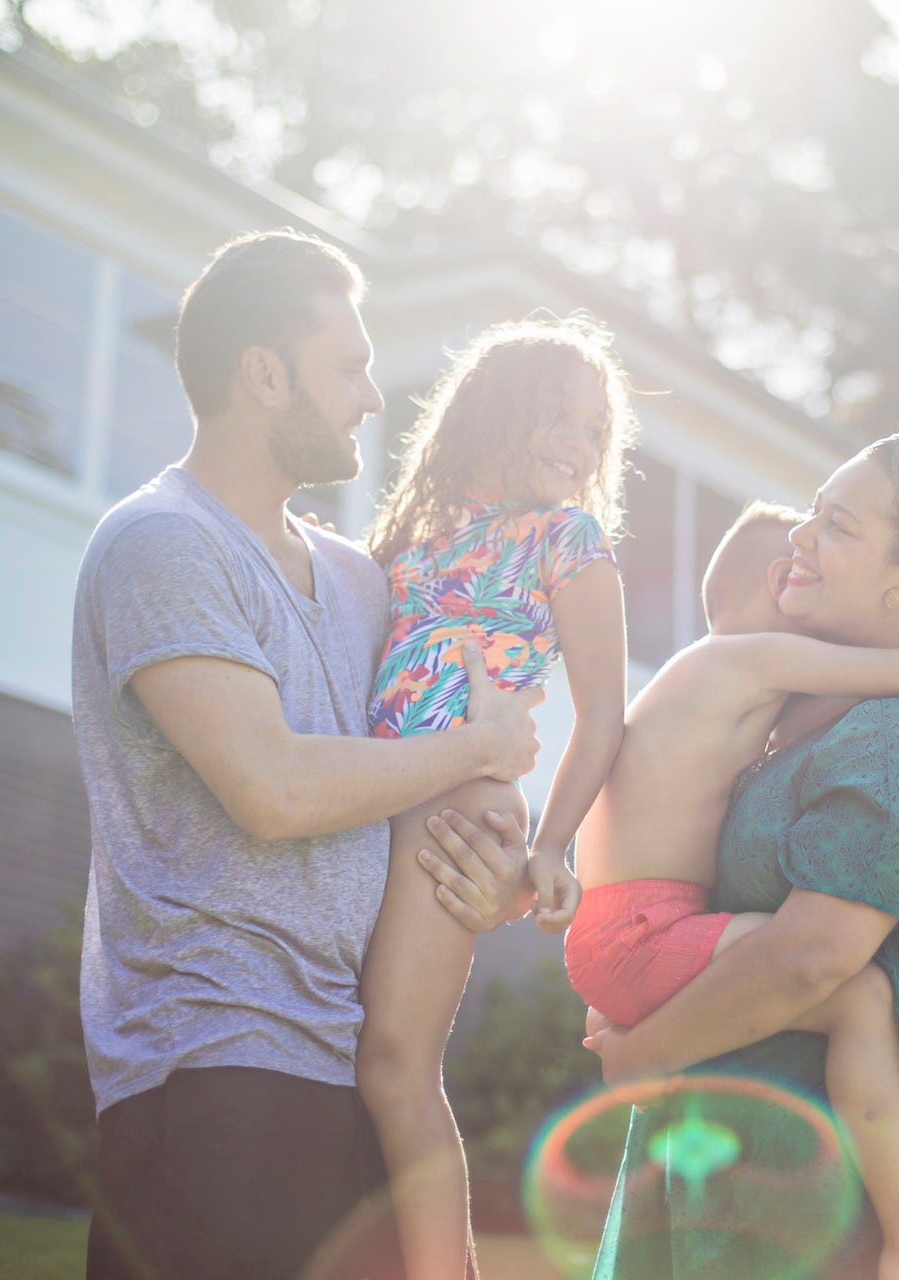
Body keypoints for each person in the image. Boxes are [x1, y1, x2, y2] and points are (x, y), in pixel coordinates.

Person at [456, 388, 899, 1278]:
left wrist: (644, 1056)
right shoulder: (792, 710)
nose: (800, 542)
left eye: (838, 527)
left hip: (821, 1222)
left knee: (860, 998)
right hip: (734, 1198)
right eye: (812, 514)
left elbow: (812, 957)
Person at [70, 229, 544, 1280]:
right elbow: (273, 788)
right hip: (214, 1071)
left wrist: (498, 862)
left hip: (352, 1069)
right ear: (265, 374)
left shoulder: (363, 583)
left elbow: (429, 779)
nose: (373, 396)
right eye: (350, 367)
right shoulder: (163, 544)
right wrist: (482, 742)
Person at [565, 500, 899, 1280]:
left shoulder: (720, 686)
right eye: (809, 558)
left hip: (625, 927)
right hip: (643, 927)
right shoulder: (749, 662)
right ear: (784, 583)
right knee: (862, 997)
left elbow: (859, 697)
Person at [357, 317, 633, 1280]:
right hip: (368, 800)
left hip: (461, 813)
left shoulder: (569, 539)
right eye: (557, 416)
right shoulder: (407, 538)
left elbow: (603, 717)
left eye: (595, 428)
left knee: (396, 1063)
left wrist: (552, 850)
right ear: (492, 413)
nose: (578, 442)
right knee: (344, 1053)